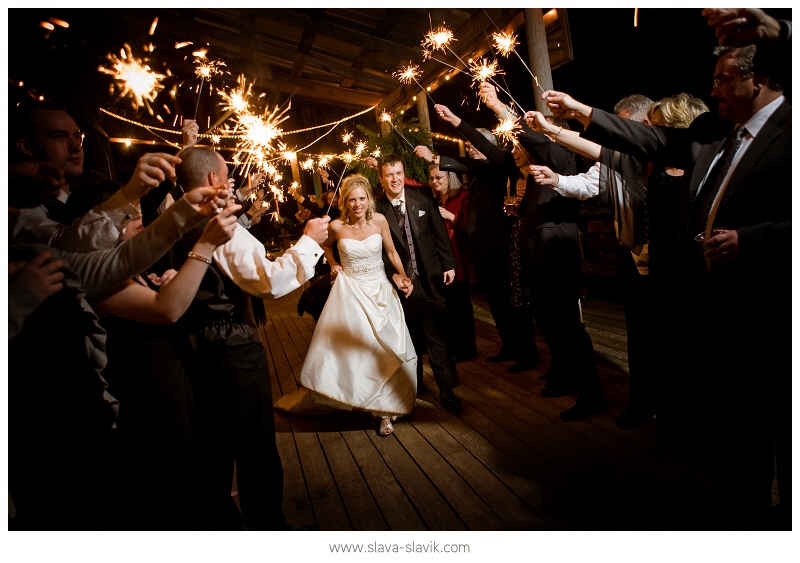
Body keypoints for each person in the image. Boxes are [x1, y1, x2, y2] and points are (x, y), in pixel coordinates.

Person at [542, 33, 790, 527]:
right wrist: (576, 109)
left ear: (758, 79)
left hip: (770, 299)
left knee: (778, 408)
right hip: (711, 295)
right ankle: (745, 494)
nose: (713, 88)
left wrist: (753, 239)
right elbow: (646, 140)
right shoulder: (717, 133)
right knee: (740, 408)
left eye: (723, 78)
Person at [170, 146, 330, 530]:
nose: (230, 183)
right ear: (212, 180)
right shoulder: (216, 223)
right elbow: (269, 281)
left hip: (192, 348)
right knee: (255, 449)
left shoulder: (173, 218)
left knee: (214, 448)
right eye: (227, 175)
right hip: (232, 348)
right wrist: (309, 240)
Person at [436, 93, 605, 422]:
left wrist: (499, 108)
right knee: (547, 320)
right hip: (535, 254)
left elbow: (535, 142)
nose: (515, 148)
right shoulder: (523, 172)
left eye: (523, 142)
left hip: (556, 251)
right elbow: (487, 153)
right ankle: (564, 373)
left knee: (568, 325)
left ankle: (592, 393)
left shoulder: (561, 156)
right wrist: (457, 123)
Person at [275, 174, 416, 436]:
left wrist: (402, 274)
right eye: (352, 200)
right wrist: (334, 264)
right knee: (359, 352)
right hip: (351, 292)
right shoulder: (338, 227)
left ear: (368, 199)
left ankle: (386, 411)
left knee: (386, 350)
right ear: (345, 202)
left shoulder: (380, 221)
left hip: (380, 291)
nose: (358, 204)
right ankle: (360, 397)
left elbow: (393, 252)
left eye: (362, 198)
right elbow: (325, 246)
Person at [11, 101, 182, 252]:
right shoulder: (18, 212)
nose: (76, 146)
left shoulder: (82, 189)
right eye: (59, 137)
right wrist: (129, 193)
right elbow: (67, 246)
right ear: (26, 147)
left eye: (77, 136)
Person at [413, 135, 519, 367]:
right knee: (491, 302)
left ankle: (519, 348)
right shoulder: (449, 193)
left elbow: (467, 225)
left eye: (474, 146)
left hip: (486, 249)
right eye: (469, 146)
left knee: (497, 302)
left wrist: (451, 217)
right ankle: (509, 345)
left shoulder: (485, 175)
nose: (470, 150)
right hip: (472, 254)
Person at [372, 154, 462, 412]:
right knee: (409, 337)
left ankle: (447, 389)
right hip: (401, 285)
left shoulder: (421, 198)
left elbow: (440, 233)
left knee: (437, 336)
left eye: (398, 173)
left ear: (403, 173)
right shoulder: (377, 209)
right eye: (389, 175)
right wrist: (393, 277)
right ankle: (417, 384)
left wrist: (449, 264)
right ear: (381, 178)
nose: (395, 179)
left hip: (431, 277)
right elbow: (378, 251)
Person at [428, 163, 477, 363]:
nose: (435, 182)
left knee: (462, 306)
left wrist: (452, 217)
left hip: (460, 258)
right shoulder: (436, 199)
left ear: (450, 177)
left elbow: (471, 227)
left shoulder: (462, 197)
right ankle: (454, 347)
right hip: (442, 260)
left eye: (439, 177)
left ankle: (467, 350)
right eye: (432, 178)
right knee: (448, 307)